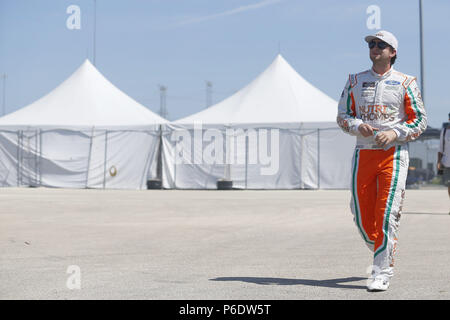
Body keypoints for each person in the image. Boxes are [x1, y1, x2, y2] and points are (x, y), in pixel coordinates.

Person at [337, 30, 427, 291]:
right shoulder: (354, 80)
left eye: (381, 45)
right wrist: (356, 125)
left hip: (394, 155)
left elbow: (420, 120)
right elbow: (342, 115)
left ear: (393, 52)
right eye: (372, 44)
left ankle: (381, 270)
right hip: (363, 153)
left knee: (386, 214)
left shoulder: (406, 82)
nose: (375, 48)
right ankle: (380, 247)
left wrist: (395, 133)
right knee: (361, 215)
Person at [437, 113, 450, 207]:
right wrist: (438, 161)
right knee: (449, 185)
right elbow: (440, 149)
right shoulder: (445, 131)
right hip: (447, 162)